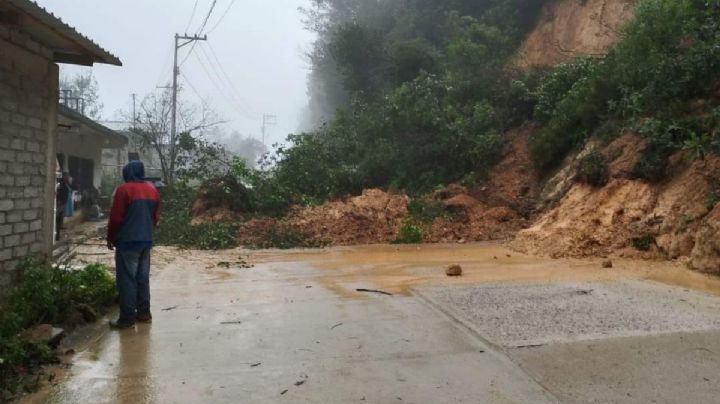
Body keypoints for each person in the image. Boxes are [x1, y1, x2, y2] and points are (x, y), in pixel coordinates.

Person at [107, 161, 161, 329]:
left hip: (127, 242)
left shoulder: (124, 190)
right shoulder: (153, 189)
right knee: (142, 279)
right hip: (146, 241)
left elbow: (116, 218)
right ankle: (144, 314)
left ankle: (127, 318)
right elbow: (155, 218)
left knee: (127, 280)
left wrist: (110, 237)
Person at [55, 172, 71, 241]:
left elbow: (63, 195)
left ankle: (57, 236)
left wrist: (61, 203)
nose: (67, 178)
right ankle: (56, 236)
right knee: (57, 221)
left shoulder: (65, 185)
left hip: (60, 204)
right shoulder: (60, 184)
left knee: (58, 221)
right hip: (59, 204)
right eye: (66, 176)